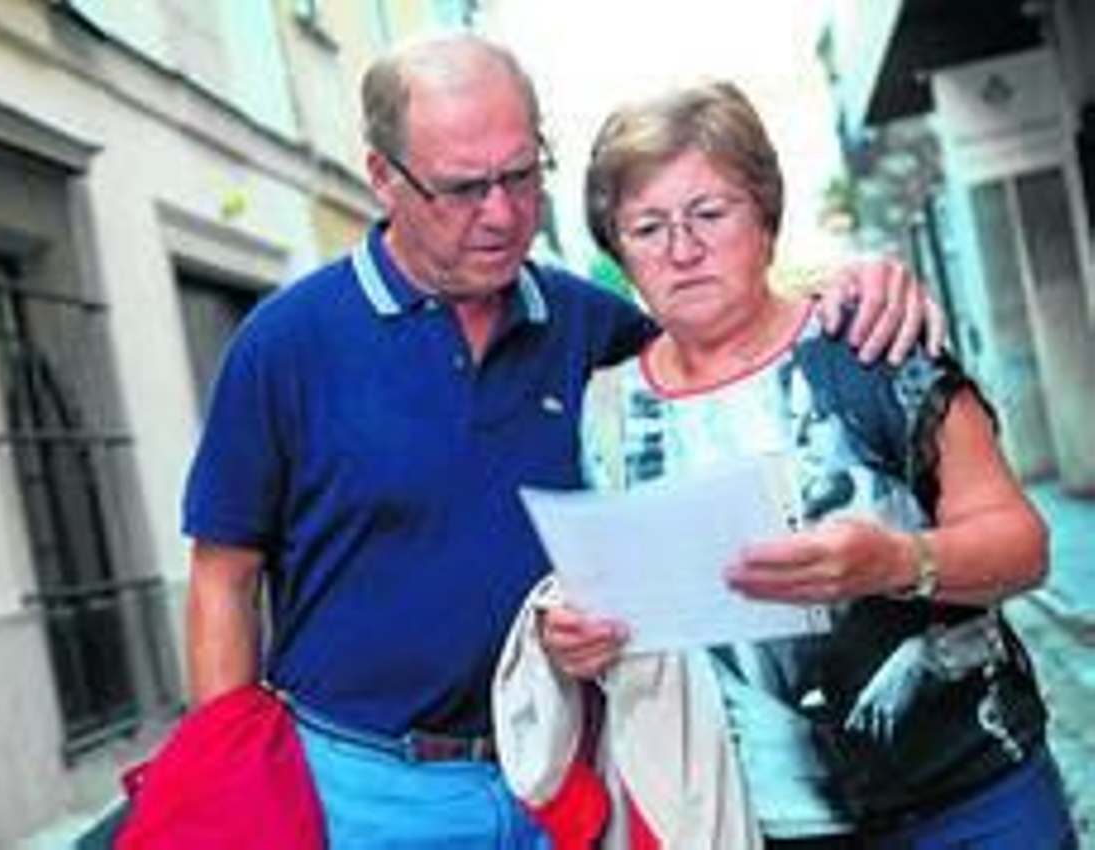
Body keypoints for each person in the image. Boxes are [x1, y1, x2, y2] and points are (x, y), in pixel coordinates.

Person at [182, 32, 941, 847]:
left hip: (566, 779)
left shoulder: (597, 328)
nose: (503, 215)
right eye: (463, 188)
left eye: (520, 175)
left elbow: (728, 339)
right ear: (382, 179)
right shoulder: (285, 343)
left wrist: (853, 288)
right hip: (363, 795)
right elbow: (222, 581)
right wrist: (232, 792)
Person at [531, 79, 1074, 847]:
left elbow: (1024, 546)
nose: (682, 250)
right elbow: (636, 615)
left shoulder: (875, 345)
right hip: (772, 820)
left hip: (975, 797)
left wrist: (895, 561)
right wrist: (580, 641)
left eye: (709, 214)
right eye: (647, 227)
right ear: (618, 248)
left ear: (765, 215)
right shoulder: (606, 410)